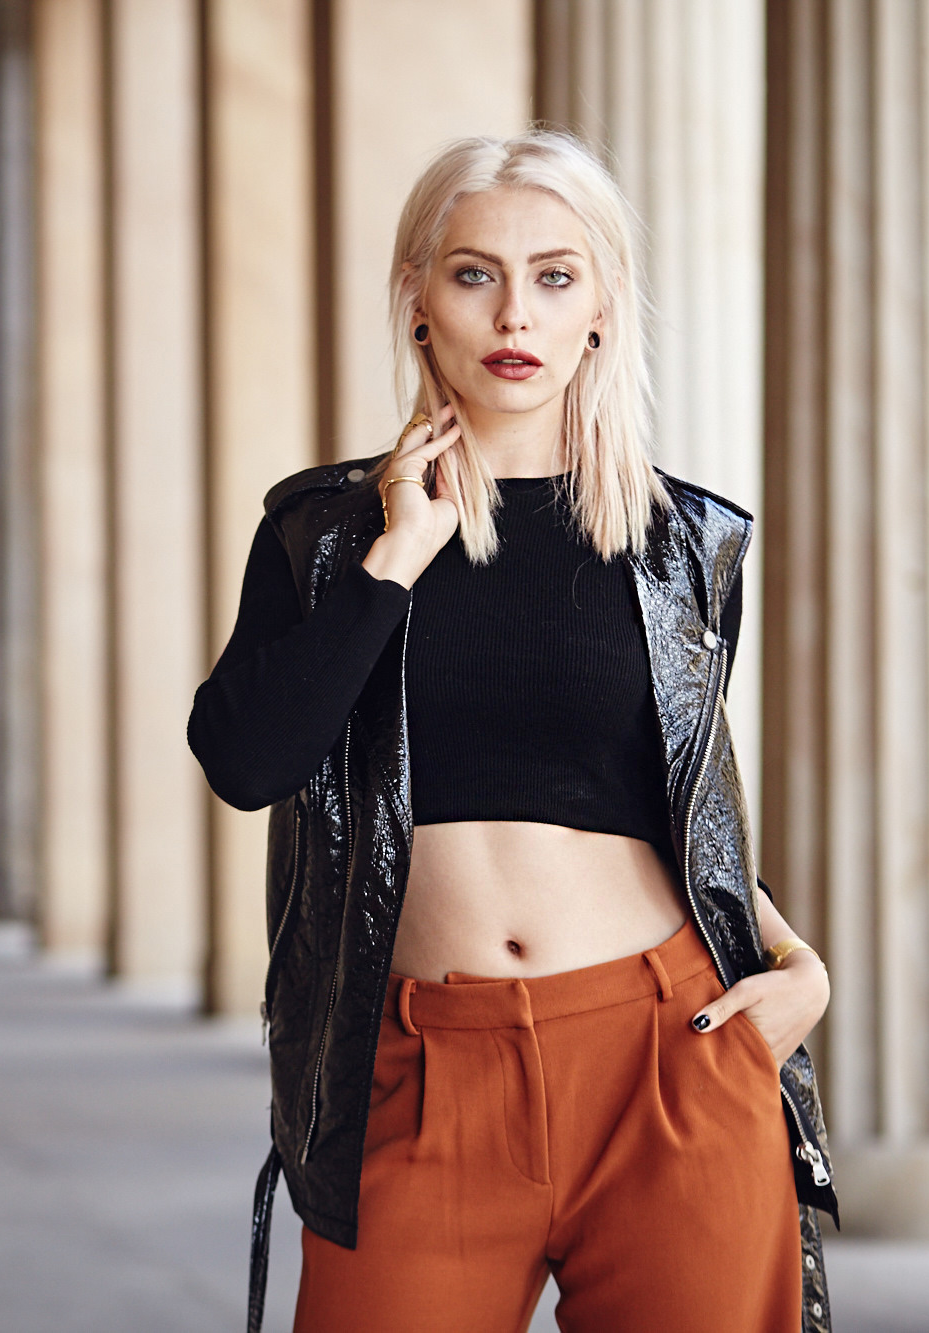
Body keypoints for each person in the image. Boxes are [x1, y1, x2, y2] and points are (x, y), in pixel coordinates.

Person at [188, 131, 837, 1333]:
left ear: (600, 309)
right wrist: (394, 562)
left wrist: (793, 961)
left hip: (666, 1053)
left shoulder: (681, 544)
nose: (512, 314)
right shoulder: (323, 533)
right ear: (416, 299)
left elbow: (677, 805)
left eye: (553, 275)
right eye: (472, 273)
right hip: (423, 1070)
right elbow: (246, 760)